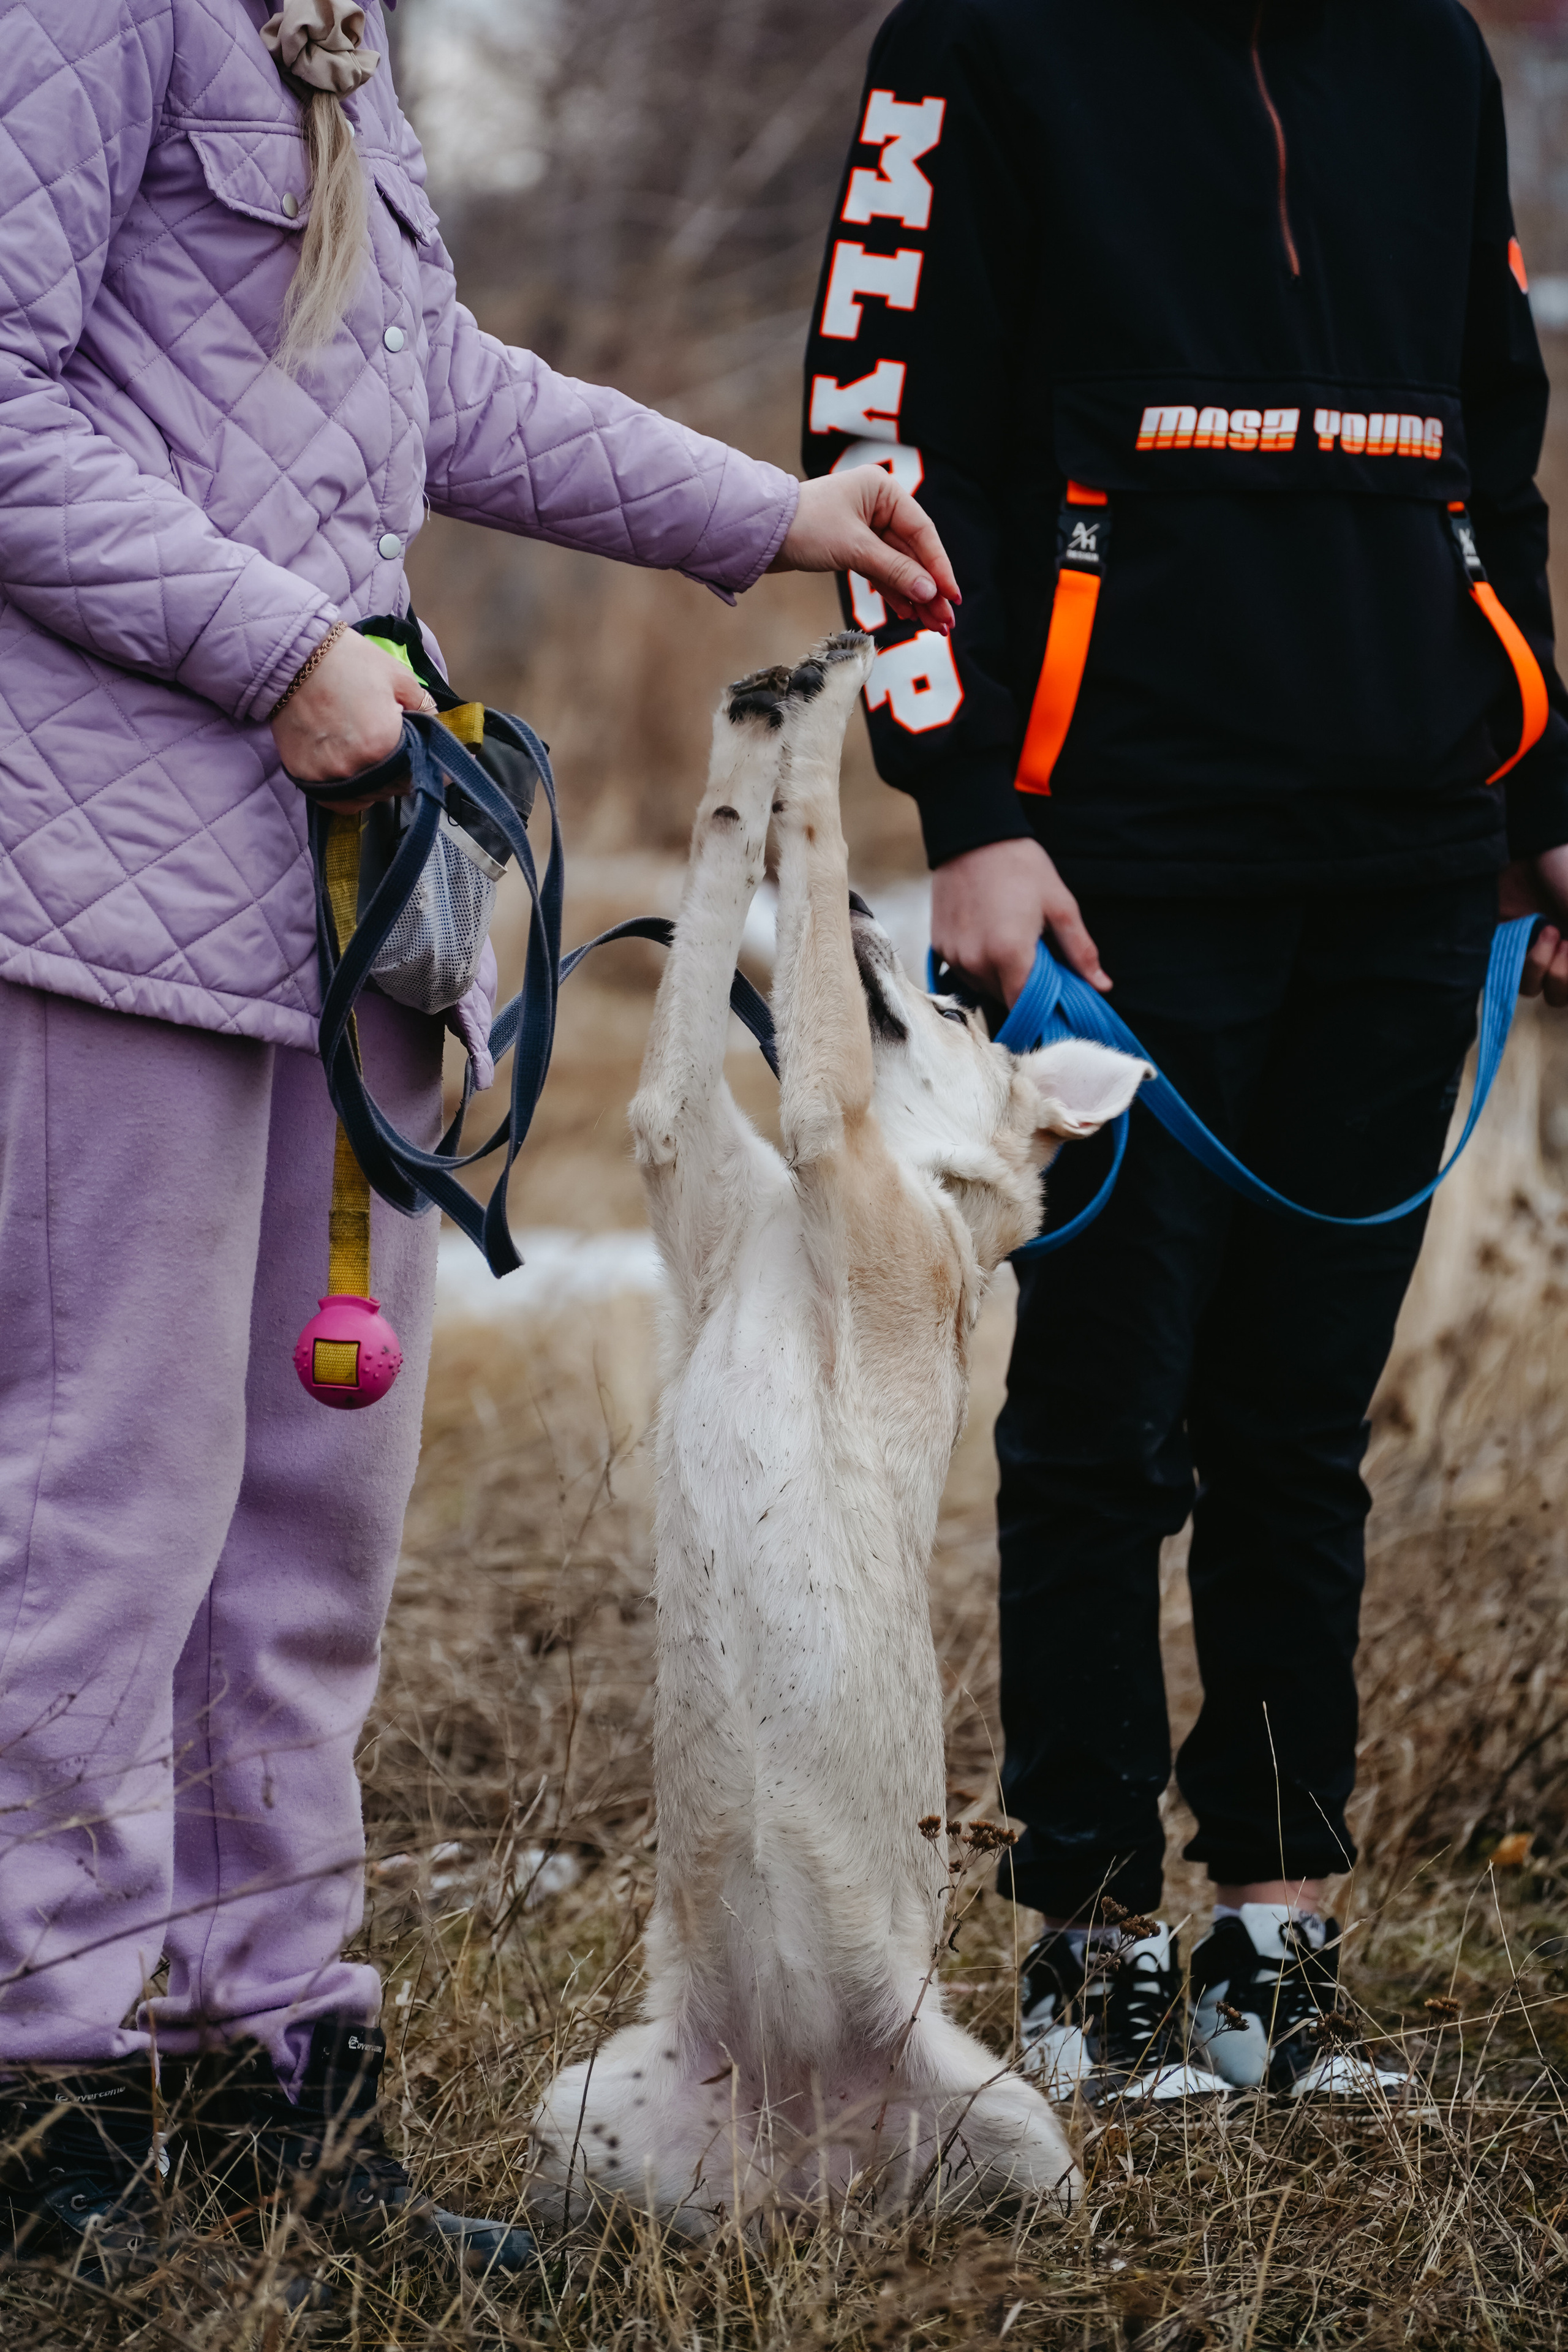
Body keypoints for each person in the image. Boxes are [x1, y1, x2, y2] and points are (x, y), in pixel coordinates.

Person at [0, 0, 960, 2285]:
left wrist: (774, 513)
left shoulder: (324, 33)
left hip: (339, 902)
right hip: (102, 891)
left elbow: (430, 384)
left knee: (310, 1522)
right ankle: (44, 2102)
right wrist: (272, 649)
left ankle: (266, 2077)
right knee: (108, 1505)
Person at [803, 0, 1568, 2105]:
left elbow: (1493, 443)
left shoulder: (1429, 50)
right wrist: (964, 807)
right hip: (1109, 855)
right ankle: (1090, 1956)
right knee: (1102, 1422)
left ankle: (1273, 1957)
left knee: (1300, 1429)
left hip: (1407, 852)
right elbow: (879, 431)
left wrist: (1538, 793)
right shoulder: (978, 41)